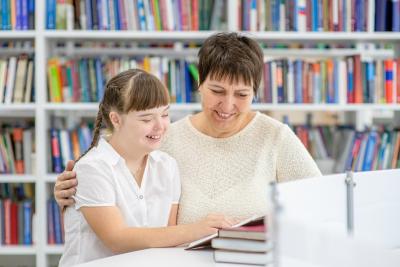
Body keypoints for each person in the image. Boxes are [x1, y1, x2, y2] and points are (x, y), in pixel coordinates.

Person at [55, 32, 321, 227]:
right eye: (217, 91)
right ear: (199, 83)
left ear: (255, 93)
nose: (227, 105)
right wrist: (69, 194)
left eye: (241, 94)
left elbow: (324, 204)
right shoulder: (165, 138)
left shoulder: (275, 137)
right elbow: (113, 188)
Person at [58, 69, 236, 267]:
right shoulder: (93, 168)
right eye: (146, 119)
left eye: (165, 114)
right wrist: (198, 229)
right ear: (116, 119)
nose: (160, 126)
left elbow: (169, 238)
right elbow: (117, 239)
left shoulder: (167, 166)